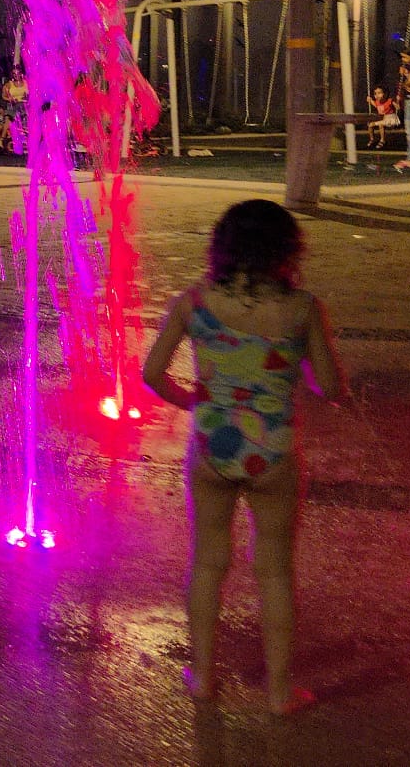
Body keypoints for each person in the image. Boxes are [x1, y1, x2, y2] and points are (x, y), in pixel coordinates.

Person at [141, 199, 346, 715]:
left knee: (208, 562)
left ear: (222, 247)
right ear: (286, 251)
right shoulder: (303, 309)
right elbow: (330, 387)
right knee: (274, 571)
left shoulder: (192, 303)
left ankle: (203, 678)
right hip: (273, 452)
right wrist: (298, 365)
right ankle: (278, 693)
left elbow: (152, 374)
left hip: (212, 447)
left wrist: (191, 401)